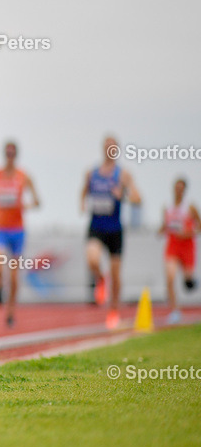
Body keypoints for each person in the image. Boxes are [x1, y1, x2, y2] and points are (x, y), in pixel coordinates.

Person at [81, 136, 142, 330]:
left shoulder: (123, 174)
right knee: (92, 259)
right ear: (102, 149)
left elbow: (138, 198)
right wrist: (82, 203)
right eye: (106, 146)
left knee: (116, 275)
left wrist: (122, 195)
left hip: (115, 230)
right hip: (96, 226)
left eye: (113, 147)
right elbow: (83, 191)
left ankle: (113, 312)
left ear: (117, 150)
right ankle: (100, 279)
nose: (109, 149)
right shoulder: (92, 173)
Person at [0, 141, 40, 327]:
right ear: (4, 154)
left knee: (14, 277)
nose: (10, 156)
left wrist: (25, 205)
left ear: (16, 155)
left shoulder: (23, 177)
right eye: (7, 153)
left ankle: (11, 312)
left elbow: (37, 201)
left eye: (13, 153)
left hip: (17, 231)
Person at [159, 177, 199, 325]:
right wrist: (160, 231)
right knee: (170, 278)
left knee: (188, 283)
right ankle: (175, 310)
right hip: (173, 246)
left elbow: (198, 227)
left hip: (187, 246)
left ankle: (192, 281)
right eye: (176, 188)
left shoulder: (190, 207)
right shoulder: (167, 207)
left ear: (184, 190)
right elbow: (164, 226)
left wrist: (187, 233)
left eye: (181, 188)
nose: (178, 191)